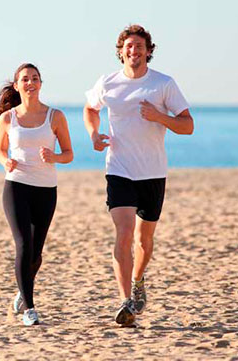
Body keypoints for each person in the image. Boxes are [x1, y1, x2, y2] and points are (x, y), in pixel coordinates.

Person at [83, 25, 194, 326]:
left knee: (144, 240)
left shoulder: (163, 84)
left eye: (139, 46)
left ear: (148, 50)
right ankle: (125, 301)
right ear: (121, 51)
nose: (134, 51)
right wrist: (94, 134)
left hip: (153, 172)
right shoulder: (108, 82)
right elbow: (90, 108)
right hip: (118, 168)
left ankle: (138, 279)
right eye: (129, 46)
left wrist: (159, 117)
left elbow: (188, 126)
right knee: (124, 232)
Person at [0, 63, 73, 326]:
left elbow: (69, 154)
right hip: (16, 185)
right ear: (17, 85)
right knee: (24, 245)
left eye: (35, 78)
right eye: (25, 79)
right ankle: (29, 309)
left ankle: (21, 290)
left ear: (40, 83)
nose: (30, 83)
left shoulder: (55, 117)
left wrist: (54, 156)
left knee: (36, 254)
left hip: (46, 189)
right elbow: (0, 151)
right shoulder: (8, 118)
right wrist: (6, 162)